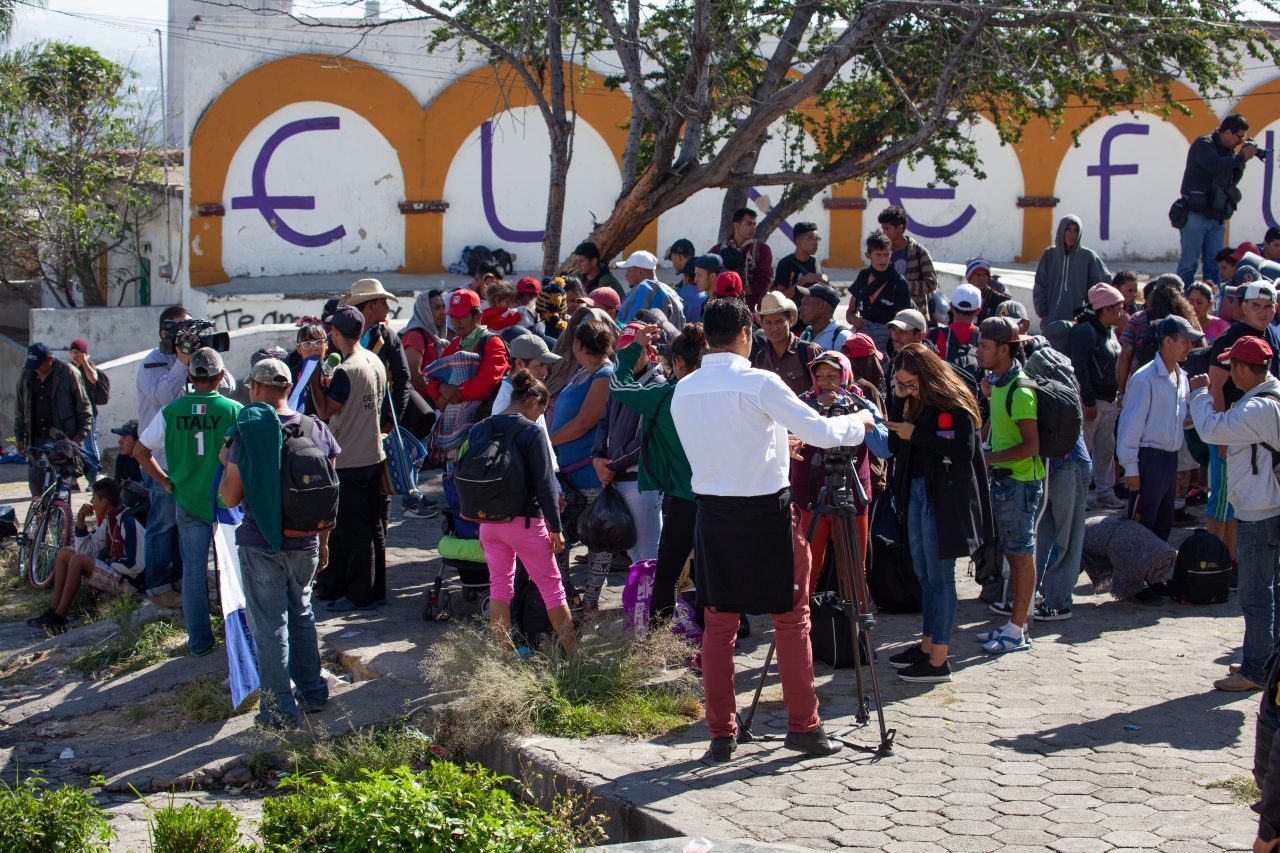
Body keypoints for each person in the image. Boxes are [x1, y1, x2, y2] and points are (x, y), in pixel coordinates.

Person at [670, 298, 876, 760]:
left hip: (714, 513)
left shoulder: (685, 388)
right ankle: (804, 725)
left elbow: (722, 440)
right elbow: (825, 432)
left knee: (719, 626)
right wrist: (859, 421)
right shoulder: (759, 380)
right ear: (746, 333)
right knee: (790, 619)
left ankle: (721, 731)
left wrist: (776, 441)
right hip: (766, 512)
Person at [218, 357, 337, 727]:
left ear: (254, 389)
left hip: (260, 542)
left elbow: (230, 498)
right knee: (302, 613)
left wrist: (226, 463)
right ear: (287, 389)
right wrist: (324, 541)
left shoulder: (247, 432)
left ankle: (277, 710)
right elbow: (331, 489)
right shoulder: (314, 427)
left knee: (269, 624)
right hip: (306, 541)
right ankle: (313, 692)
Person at [885, 343, 989, 682]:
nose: (904, 390)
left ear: (928, 377)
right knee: (924, 573)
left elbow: (963, 449)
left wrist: (916, 434)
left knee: (940, 576)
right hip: (916, 489)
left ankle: (939, 659)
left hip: (941, 496)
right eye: (899, 383)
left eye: (909, 383)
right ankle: (928, 645)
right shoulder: (909, 402)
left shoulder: (953, 402)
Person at [135, 348, 242, 657]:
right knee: (230, 569)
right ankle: (234, 632)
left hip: (187, 498)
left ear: (191, 377)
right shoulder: (234, 410)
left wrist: (166, 482)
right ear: (221, 377)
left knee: (193, 572)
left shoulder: (170, 411)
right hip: (226, 500)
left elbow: (140, 452)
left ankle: (199, 642)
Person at [1188, 335, 1280, 692]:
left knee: (1256, 594)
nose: (1228, 373)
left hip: (1260, 511)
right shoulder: (1268, 399)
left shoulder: (1257, 408)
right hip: (1268, 504)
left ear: (1244, 368)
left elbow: (1211, 430)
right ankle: (1267, 663)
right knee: (1270, 592)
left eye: (1231, 366)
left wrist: (1200, 394)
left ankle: (1256, 670)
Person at [135, 306, 234, 605]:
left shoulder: (200, 357)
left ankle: (183, 579)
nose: (187, 336)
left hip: (193, 461)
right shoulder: (151, 364)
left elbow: (227, 386)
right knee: (162, 523)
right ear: (164, 333)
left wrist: (199, 357)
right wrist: (181, 363)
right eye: (180, 330)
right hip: (162, 462)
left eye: (190, 329)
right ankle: (159, 586)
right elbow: (163, 398)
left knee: (186, 525)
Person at [610, 323, 707, 621]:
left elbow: (619, 385)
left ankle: (657, 640)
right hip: (720, 499)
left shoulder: (664, 397)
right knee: (713, 571)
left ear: (676, 363)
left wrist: (636, 346)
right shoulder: (722, 395)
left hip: (682, 499)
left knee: (667, 575)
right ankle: (726, 631)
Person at [474, 369, 576, 653]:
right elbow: (545, 485)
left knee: (500, 588)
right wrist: (556, 529)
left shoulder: (482, 426)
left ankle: (504, 660)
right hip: (525, 523)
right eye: (540, 411)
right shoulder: (530, 431)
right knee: (553, 590)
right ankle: (576, 660)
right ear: (533, 401)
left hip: (489, 524)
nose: (538, 417)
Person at [310, 305, 388, 611]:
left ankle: (359, 594)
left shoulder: (346, 369)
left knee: (353, 532)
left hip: (349, 461)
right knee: (374, 527)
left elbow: (325, 411)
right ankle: (374, 589)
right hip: (372, 453)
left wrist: (316, 373)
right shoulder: (373, 359)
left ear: (335, 334)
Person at [975, 316, 1045, 655]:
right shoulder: (999, 383)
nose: (978, 352)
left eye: (985, 346)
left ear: (1004, 349)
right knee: (1013, 555)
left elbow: (1031, 446)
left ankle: (1018, 630)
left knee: (1021, 557)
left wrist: (988, 460)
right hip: (1005, 483)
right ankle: (1015, 623)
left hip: (1020, 484)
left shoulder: (1021, 388)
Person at [792, 350, 889, 594]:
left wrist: (856, 416)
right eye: (820, 376)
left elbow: (884, 448)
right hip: (810, 498)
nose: (825, 383)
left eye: (833, 376)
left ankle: (856, 624)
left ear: (845, 376)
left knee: (854, 569)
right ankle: (803, 624)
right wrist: (815, 414)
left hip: (852, 497)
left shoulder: (861, 404)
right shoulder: (802, 404)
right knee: (807, 567)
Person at [549, 318, 617, 613]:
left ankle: (589, 602)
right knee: (560, 536)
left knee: (598, 541)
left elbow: (585, 422)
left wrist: (548, 442)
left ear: (578, 345)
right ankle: (568, 594)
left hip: (588, 474)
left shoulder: (603, 374)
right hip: (568, 473)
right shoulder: (581, 373)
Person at [591, 322, 666, 577]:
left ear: (648, 351)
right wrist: (597, 458)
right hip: (616, 477)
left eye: (635, 349)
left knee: (648, 558)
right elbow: (604, 421)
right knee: (636, 557)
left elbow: (645, 441)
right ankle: (642, 613)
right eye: (623, 351)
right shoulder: (620, 379)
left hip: (641, 482)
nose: (628, 356)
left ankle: (653, 615)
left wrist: (609, 466)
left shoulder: (656, 384)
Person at [1116, 316, 1201, 542]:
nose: (1189, 347)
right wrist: (1131, 468)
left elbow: (1179, 416)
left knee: (1163, 525)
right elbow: (1130, 425)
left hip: (1169, 460)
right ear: (1167, 342)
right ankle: (1134, 576)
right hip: (1148, 460)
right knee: (1141, 525)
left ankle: (1154, 576)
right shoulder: (1145, 378)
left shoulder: (1181, 377)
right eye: (1185, 341)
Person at [26, 479, 142, 633]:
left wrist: (110, 562)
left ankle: (59, 618)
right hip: (118, 573)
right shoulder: (110, 520)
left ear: (104, 501)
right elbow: (85, 549)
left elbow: (137, 564)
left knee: (78, 560)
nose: (92, 503)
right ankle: (52, 611)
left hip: (130, 582)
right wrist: (80, 521)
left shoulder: (127, 521)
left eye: (94, 498)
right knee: (66, 553)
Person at [424, 289, 510, 457]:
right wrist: (441, 387)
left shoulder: (492, 343)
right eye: (453, 317)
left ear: (477, 316)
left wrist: (448, 395)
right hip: (455, 428)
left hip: (483, 429)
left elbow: (485, 384)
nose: (457, 322)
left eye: (462, 316)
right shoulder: (455, 344)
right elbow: (431, 377)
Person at [1178, 114, 1256, 286]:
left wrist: (1241, 163)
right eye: (1239, 137)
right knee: (1189, 264)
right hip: (1196, 214)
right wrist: (1240, 157)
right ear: (1227, 132)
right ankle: (1182, 302)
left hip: (1217, 215)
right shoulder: (1204, 144)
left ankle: (1212, 302)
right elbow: (1216, 165)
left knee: (1215, 266)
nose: (1239, 141)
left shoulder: (1229, 153)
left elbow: (1231, 181)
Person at [1068, 283, 1125, 510]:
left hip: (1109, 401)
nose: (1121, 313)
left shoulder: (1109, 332)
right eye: (1118, 308)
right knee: (1085, 449)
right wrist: (1088, 399)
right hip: (1091, 403)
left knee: (1105, 449)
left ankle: (1105, 492)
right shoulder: (1085, 332)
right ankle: (1078, 494)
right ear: (1106, 309)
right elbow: (1079, 366)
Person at [14, 342, 90, 497]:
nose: (36, 369)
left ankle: (60, 518)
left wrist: (78, 437)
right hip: (36, 439)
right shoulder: (26, 374)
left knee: (59, 489)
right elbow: (20, 409)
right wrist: (19, 437)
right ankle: (40, 517)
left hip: (62, 439)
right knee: (36, 485)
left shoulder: (68, 373)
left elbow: (84, 408)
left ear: (49, 359)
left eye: (39, 365)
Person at [1033, 215, 1110, 353]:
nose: (1072, 234)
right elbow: (1040, 284)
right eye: (1068, 229)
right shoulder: (1049, 255)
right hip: (1051, 322)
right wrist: (1042, 311)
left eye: (1075, 230)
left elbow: (1102, 284)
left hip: (1076, 324)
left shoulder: (1088, 257)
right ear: (1061, 230)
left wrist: (1089, 313)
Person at [845, 231, 912, 355]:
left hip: (888, 346)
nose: (883, 259)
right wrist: (855, 320)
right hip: (862, 340)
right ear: (868, 255)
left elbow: (902, 324)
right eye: (878, 255)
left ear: (891, 254)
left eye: (886, 255)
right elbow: (850, 312)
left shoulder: (899, 283)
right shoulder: (863, 276)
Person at [752, 291, 823, 396]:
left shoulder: (809, 351)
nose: (774, 328)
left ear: (791, 321)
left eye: (779, 321)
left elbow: (824, 389)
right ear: (761, 324)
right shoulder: (761, 357)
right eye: (768, 322)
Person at [877, 205, 938, 315]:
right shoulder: (881, 253)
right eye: (883, 228)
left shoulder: (919, 252)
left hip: (915, 316)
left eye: (887, 228)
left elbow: (931, 284)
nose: (884, 232)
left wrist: (904, 286)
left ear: (900, 228)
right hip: (887, 316)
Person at [711, 207, 773, 310]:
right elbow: (707, 274)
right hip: (722, 307)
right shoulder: (719, 249)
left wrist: (739, 292)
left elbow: (763, 282)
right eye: (749, 224)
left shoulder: (762, 250)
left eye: (754, 224)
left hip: (751, 309)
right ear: (736, 225)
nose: (753, 227)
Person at [68, 338, 108, 479]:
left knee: (90, 444)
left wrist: (84, 362)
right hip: (72, 414)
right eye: (73, 352)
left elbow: (93, 379)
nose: (75, 355)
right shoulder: (69, 368)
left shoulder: (89, 366)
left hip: (88, 413)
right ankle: (72, 479)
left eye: (78, 352)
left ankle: (93, 476)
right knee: (71, 446)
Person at [400, 290, 450, 402]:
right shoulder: (415, 335)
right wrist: (437, 394)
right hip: (419, 407)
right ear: (425, 311)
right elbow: (413, 373)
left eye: (443, 307)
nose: (443, 312)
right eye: (437, 308)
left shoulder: (434, 337)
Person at [616, 250, 686, 326]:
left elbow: (628, 324)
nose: (626, 276)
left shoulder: (644, 288)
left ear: (640, 271)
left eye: (629, 271)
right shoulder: (671, 291)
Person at [284, 323, 329, 418]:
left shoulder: (334, 374)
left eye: (319, 342)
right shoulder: (289, 376)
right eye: (307, 344)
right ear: (298, 348)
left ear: (326, 345)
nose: (314, 348)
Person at [774, 222, 827, 293]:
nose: (816, 242)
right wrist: (803, 281)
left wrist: (824, 278)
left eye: (817, 239)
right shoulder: (785, 264)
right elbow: (781, 298)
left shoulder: (814, 262)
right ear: (798, 241)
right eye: (812, 239)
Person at [801, 283, 854, 353]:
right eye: (802, 303)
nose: (800, 309)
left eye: (806, 303)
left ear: (822, 306)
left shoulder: (842, 337)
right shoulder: (805, 335)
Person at [964, 257, 1010, 321]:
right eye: (978, 275)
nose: (981, 279)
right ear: (969, 278)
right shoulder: (962, 296)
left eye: (985, 275)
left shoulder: (999, 300)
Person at [111, 419, 143, 485]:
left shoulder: (151, 460)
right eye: (121, 436)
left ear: (138, 440)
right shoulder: (122, 458)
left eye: (124, 437)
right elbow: (118, 485)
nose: (120, 442)